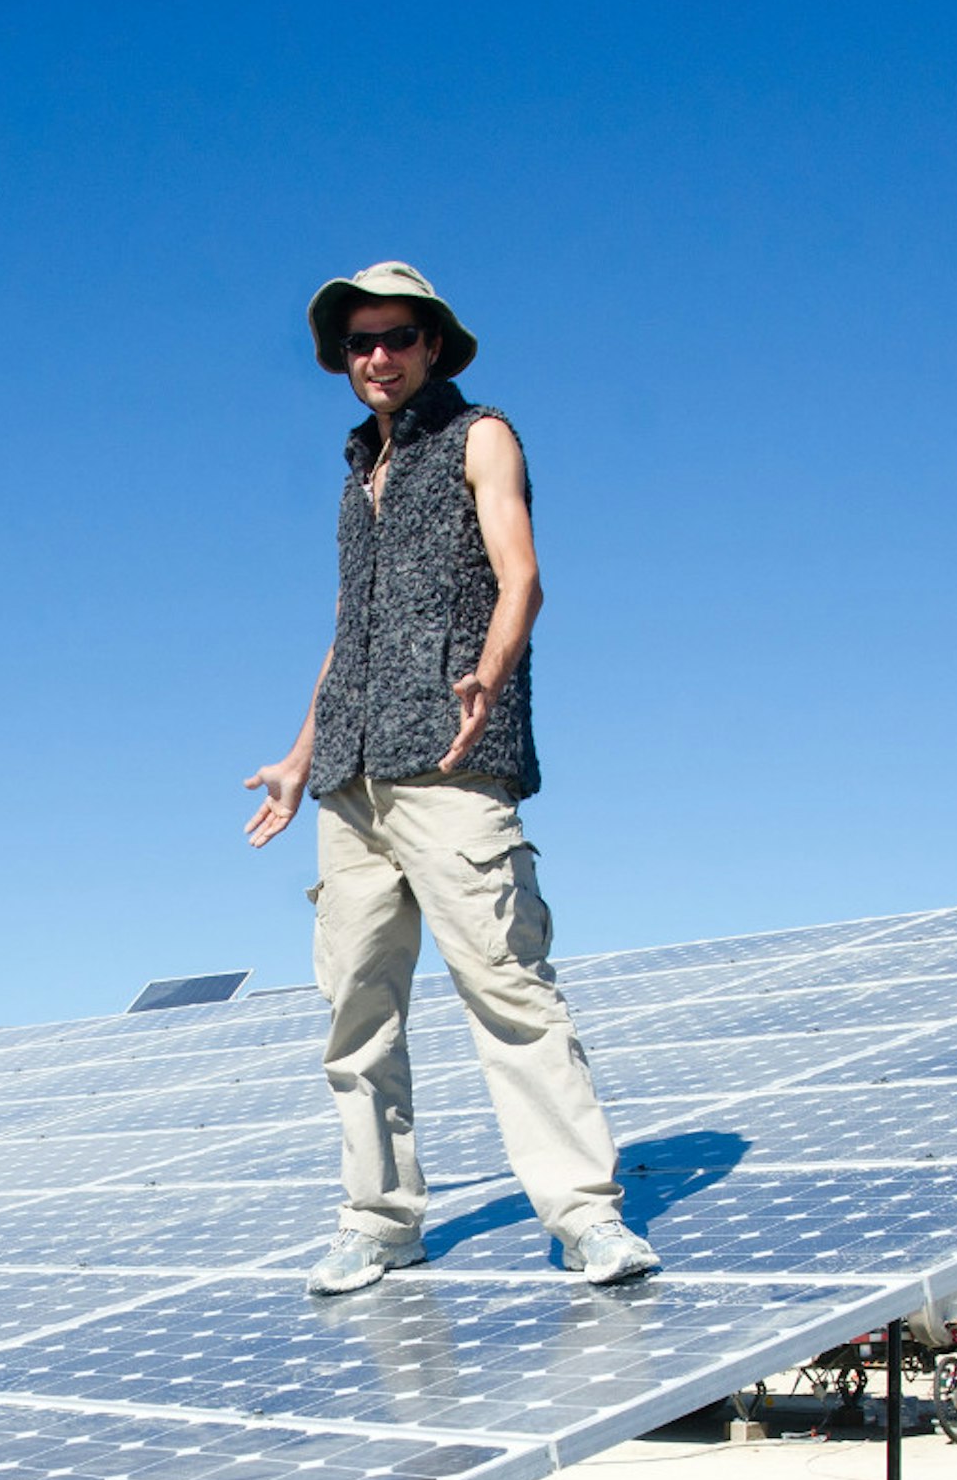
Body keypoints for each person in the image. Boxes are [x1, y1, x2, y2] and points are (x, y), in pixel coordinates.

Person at [243, 261, 659, 1298]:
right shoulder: (356, 474)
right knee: (355, 1012)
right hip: (351, 781)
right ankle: (378, 1222)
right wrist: (300, 759)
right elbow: (351, 636)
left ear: (434, 346)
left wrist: (492, 668)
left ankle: (587, 1219)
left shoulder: (483, 435)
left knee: (509, 989)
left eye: (394, 337)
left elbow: (522, 576)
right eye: (357, 344)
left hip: (453, 760)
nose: (375, 357)